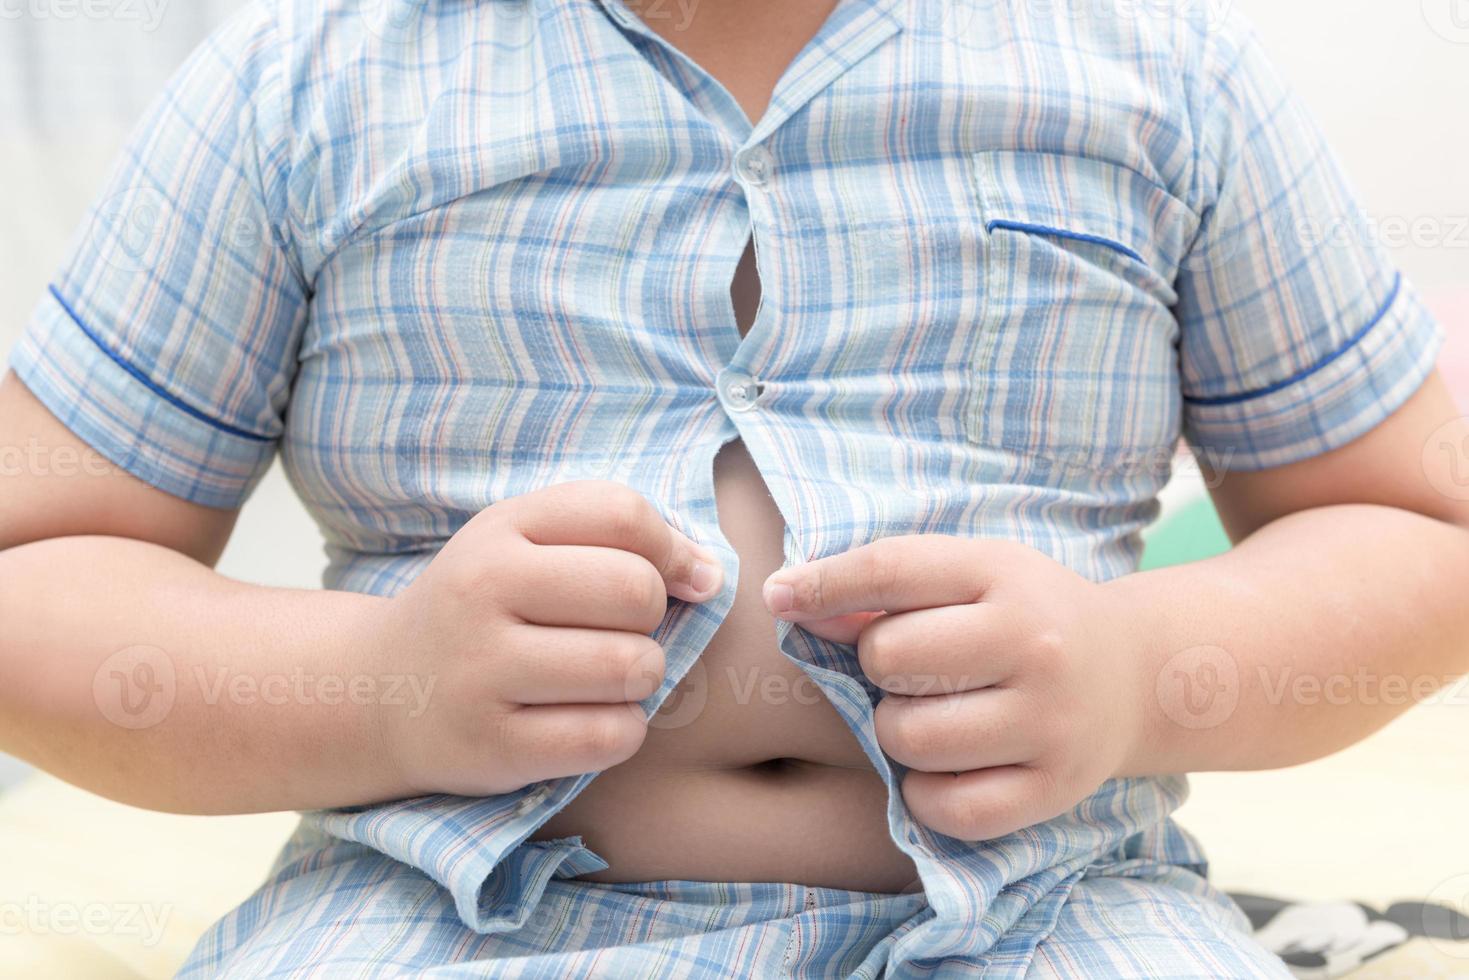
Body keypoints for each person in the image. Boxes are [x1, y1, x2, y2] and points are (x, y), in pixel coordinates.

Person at [1, 0, 1464, 974]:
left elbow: (1416, 525)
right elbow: (38, 567)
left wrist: (1139, 673)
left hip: (1047, 914)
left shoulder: (1154, 66)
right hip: (436, 912)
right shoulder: (306, 75)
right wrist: (381, 686)